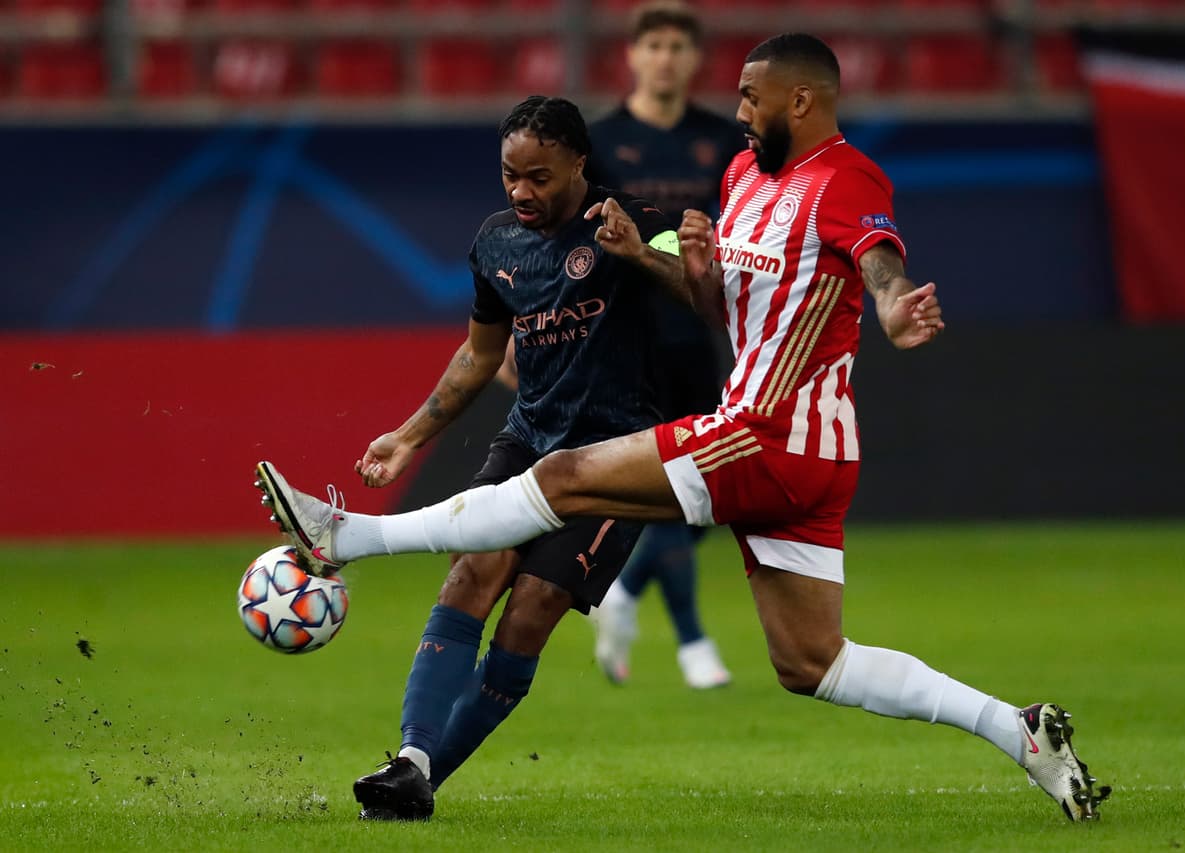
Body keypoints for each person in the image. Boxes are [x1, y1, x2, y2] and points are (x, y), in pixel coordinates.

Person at [256, 35, 1110, 822]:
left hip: (768, 431)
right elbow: (719, 310)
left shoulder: (847, 178)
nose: (736, 111)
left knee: (560, 480)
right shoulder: (742, 178)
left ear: (802, 100)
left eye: (750, 95)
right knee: (812, 663)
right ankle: (1019, 730)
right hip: (800, 457)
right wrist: (686, 266)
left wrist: (892, 304)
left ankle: (348, 535)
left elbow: (878, 259)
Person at [256, 95, 688, 821]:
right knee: (472, 570)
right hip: (530, 438)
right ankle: (411, 760)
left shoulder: (637, 222)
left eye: (540, 176)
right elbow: (481, 352)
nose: (522, 191)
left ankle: (425, 776)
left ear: (580, 164)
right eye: (510, 175)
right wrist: (408, 435)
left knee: (531, 611)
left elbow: (708, 296)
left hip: (620, 456)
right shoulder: (495, 243)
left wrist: (643, 255)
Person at [585, 0, 744, 689]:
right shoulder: (600, 140)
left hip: (696, 331)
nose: (667, 57)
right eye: (655, 45)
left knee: (704, 494)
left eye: (680, 46)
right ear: (633, 55)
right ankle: (693, 642)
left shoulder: (723, 140)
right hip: (625, 337)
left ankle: (621, 593)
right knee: (676, 487)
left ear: (693, 59)